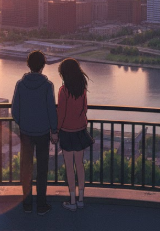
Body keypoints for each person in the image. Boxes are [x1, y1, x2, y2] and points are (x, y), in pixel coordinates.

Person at [12, 50, 58, 216]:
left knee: (26, 168)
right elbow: (51, 110)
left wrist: (23, 123)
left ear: (28, 65)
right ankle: (41, 204)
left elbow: (14, 110)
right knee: (42, 168)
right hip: (43, 132)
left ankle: (27, 204)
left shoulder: (20, 84)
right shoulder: (48, 86)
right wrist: (54, 130)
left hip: (26, 133)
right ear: (43, 66)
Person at [56, 58, 93, 212]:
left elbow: (61, 114)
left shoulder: (63, 91)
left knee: (69, 167)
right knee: (80, 165)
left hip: (67, 132)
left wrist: (56, 131)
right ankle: (81, 199)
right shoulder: (82, 89)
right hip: (80, 130)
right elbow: (85, 109)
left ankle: (72, 201)